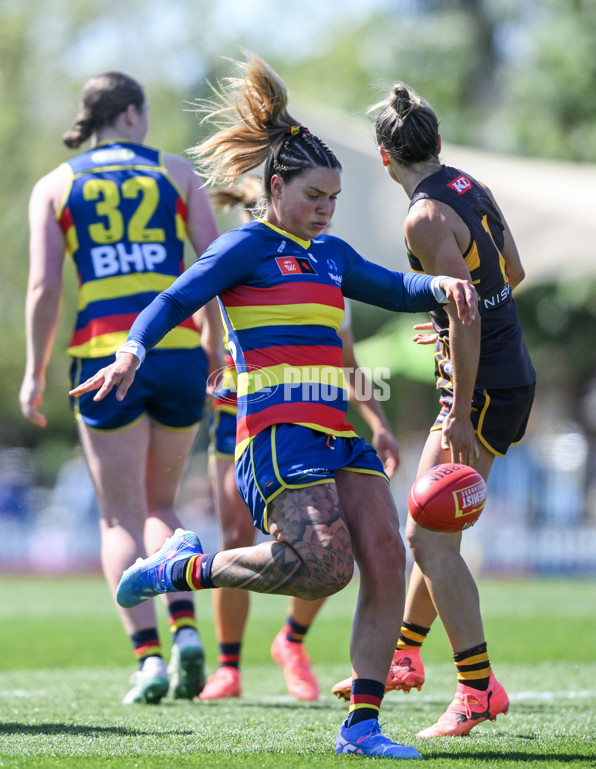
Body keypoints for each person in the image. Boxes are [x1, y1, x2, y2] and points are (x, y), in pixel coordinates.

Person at [69, 54, 478, 759]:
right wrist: (132, 349)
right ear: (278, 185)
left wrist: (441, 287)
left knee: (382, 556)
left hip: (336, 430)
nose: (326, 209)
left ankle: (362, 726)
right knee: (322, 565)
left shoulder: (332, 254)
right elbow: (172, 300)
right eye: (316, 195)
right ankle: (183, 568)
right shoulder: (243, 246)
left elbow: (392, 286)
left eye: (335, 199)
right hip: (275, 432)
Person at [331, 81, 537, 737]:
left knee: (425, 533)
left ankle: (478, 686)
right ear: (438, 144)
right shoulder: (469, 186)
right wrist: (453, 327)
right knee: (432, 524)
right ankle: (405, 654)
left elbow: (466, 309)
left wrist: (456, 405)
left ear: (385, 158)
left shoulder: (421, 217)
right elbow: (512, 271)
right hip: (503, 374)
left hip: (482, 388)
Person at [19, 71, 222, 705]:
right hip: (178, 351)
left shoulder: (55, 185)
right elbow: (217, 261)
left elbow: (45, 289)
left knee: (119, 516)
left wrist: (33, 371)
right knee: (163, 506)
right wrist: (218, 345)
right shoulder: (176, 173)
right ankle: (188, 632)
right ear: (131, 114)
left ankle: (151, 660)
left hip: (103, 357)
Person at [199, 179, 402, 701]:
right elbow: (209, 345)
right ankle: (228, 666)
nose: (322, 211)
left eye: (331, 199)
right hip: (245, 413)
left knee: (333, 537)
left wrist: (377, 424)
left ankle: (292, 639)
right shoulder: (237, 262)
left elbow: (348, 361)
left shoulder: (328, 269)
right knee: (233, 530)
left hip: (316, 419)